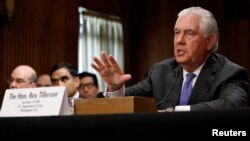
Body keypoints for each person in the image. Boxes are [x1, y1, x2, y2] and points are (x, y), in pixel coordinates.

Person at [91, 6, 249, 111]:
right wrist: (115, 88)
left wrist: (174, 112)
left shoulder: (230, 73)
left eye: (189, 33)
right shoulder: (161, 71)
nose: (179, 40)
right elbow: (131, 101)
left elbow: (230, 106)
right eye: (176, 32)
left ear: (209, 41)